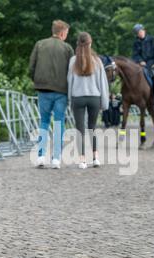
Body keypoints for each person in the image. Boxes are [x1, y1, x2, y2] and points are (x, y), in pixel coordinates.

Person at [29, 20, 74, 169]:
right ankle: (56, 158)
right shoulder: (67, 48)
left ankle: (41, 156)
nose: (66, 36)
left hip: (43, 90)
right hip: (61, 91)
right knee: (59, 122)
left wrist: (37, 81)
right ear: (62, 33)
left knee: (44, 122)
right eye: (66, 33)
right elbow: (72, 71)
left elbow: (31, 67)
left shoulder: (39, 44)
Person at [68, 32, 110, 169]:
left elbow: (70, 81)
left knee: (79, 129)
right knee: (92, 127)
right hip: (94, 98)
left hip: (78, 97)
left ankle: (82, 160)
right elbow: (102, 83)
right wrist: (104, 102)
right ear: (90, 43)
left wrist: (70, 101)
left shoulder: (73, 60)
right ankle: (95, 157)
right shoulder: (97, 61)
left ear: (78, 44)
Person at [132, 24, 154, 105]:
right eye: (138, 32)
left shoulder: (153, 39)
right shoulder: (136, 43)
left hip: (152, 62)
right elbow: (135, 54)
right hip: (141, 63)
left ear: (144, 30)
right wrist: (140, 60)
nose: (140, 33)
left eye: (140, 31)